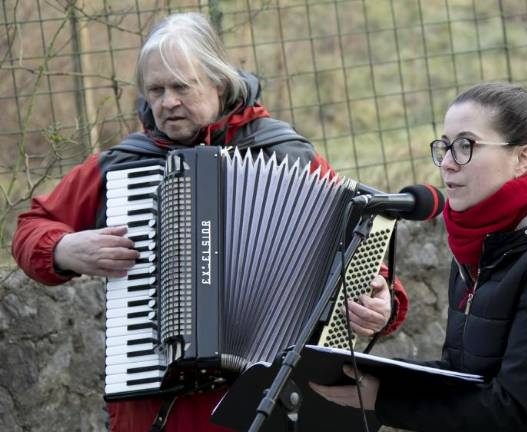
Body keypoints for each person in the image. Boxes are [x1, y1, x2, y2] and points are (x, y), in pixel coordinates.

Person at [11, 12, 408, 432]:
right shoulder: (125, 166)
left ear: (219, 83)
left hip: (267, 405)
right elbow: (31, 228)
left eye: (181, 86)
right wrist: (63, 249)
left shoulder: (284, 155)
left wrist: (380, 305)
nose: (166, 102)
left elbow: (367, 263)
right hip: (161, 407)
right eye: (156, 90)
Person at [311, 82, 527, 431]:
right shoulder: (483, 244)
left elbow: (514, 411)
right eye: (445, 147)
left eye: (466, 146)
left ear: (522, 159)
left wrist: (386, 400)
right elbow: (465, 376)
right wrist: (368, 374)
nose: (448, 164)